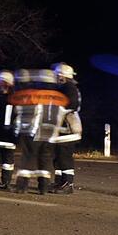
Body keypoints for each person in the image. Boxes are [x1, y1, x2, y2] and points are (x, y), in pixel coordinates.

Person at [9, 69, 67, 195]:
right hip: (51, 134)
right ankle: (43, 188)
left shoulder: (34, 94)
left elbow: (23, 112)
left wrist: (17, 129)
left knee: (28, 157)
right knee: (45, 160)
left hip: (33, 131)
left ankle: (22, 187)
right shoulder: (61, 97)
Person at [51, 63, 82, 193]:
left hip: (68, 131)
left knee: (64, 158)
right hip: (61, 131)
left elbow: (72, 105)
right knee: (58, 158)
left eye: (57, 75)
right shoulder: (63, 88)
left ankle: (68, 184)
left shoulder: (69, 88)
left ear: (62, 76)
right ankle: (59, 182)